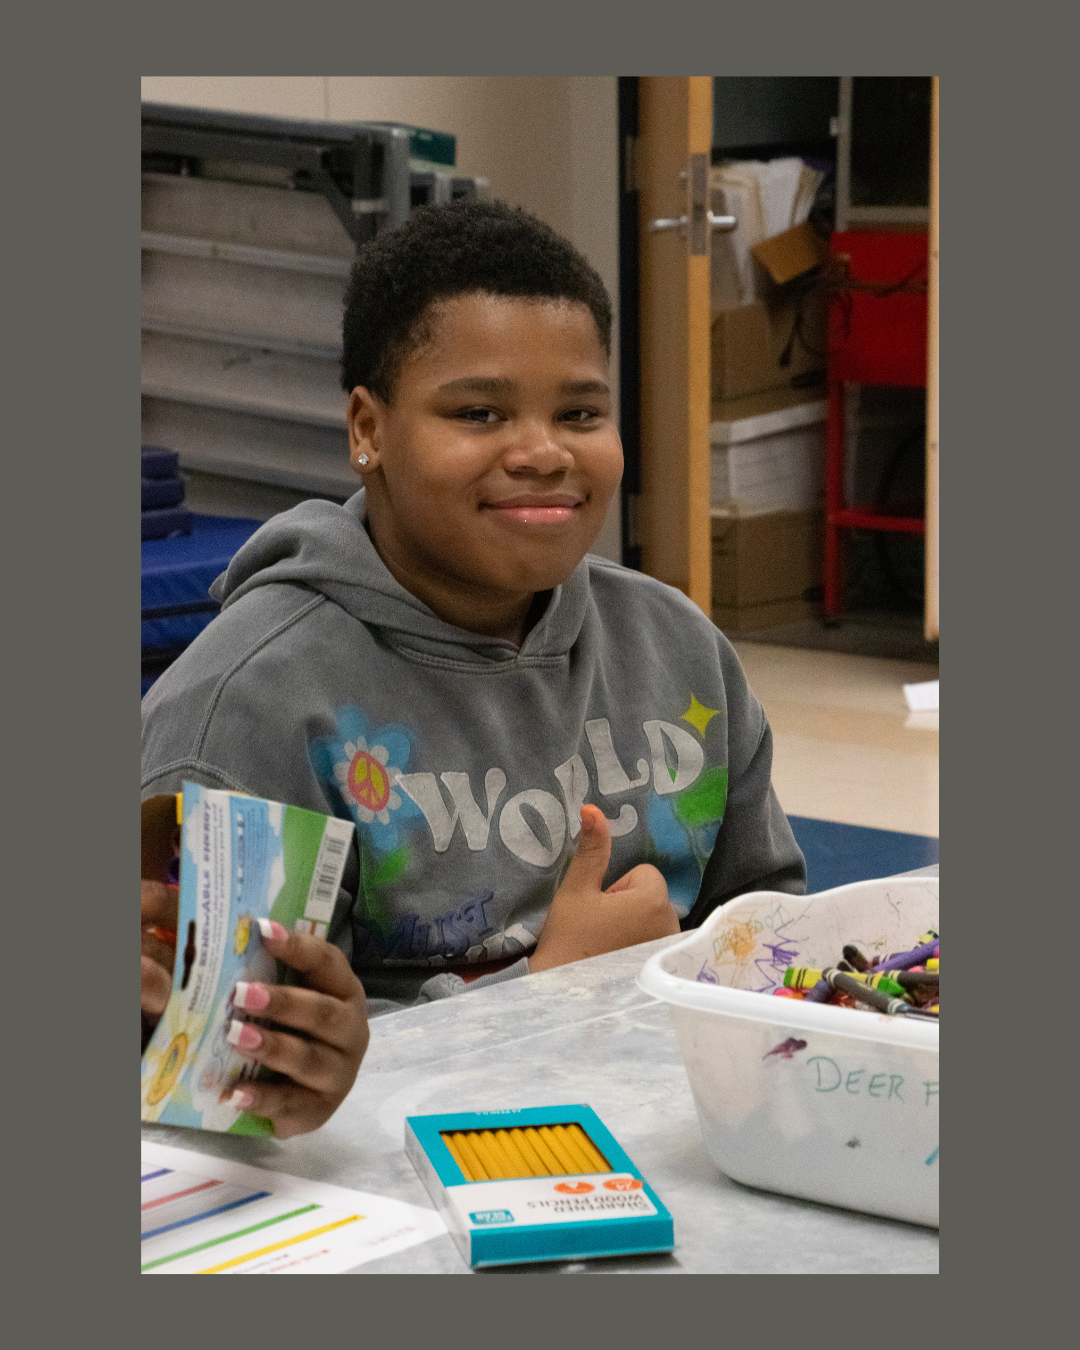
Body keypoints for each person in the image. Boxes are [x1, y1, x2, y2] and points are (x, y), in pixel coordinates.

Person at [142, 198, 805, 1137]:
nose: (541, 452)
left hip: (681, 1138)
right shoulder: (245, 711)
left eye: (579, 411)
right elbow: (218, 1086)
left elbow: (774, 932)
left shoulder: (677, 645)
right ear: (368, 428)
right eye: (479, 411)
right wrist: (554, 996)